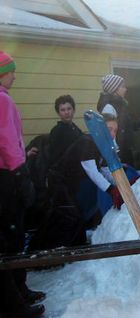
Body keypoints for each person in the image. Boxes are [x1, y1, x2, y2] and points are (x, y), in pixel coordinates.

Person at [32, 115, 124, 249]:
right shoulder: (87, 142)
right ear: (100, 129)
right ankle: (45, 253)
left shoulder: (102, 145)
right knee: (66, 216)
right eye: (109, 129)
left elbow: (104, 168)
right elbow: (92, 171)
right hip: (58, 182)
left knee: (75, 215)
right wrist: (111, 190)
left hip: (71, 184)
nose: (112, 133)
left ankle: (75, 248)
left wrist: (121, 183)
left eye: (115, 130)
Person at [0, 50, 46, 317]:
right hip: (9, 177)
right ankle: (16, 303)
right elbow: (6, 140)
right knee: (13, 237)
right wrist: (21, 174)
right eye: (11, 71)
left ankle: (20, 291)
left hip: (7, 174)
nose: (15, 76)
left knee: (12, 236)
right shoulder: (2, 100)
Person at [96, 74, 134, 165]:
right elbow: (109, 132)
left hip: (124, 150)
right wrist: (116, 157)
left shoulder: (119, 105)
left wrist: (135, 125)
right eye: (123, 87)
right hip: (119, 154)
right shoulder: (109, 107)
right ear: (114, 89)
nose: (125, 89)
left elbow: (122, 125)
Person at [48, 94, 83, 166]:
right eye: (63, 110)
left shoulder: (74, 127)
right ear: (58, 113)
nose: (67, 112)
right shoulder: (57, 131)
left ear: (74, 110)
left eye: (69, 109)